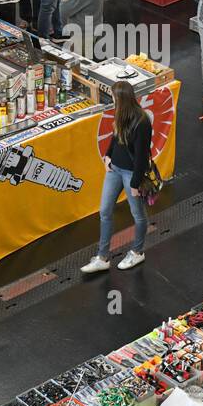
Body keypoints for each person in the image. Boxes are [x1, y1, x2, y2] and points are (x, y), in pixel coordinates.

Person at [80, 80, 151, 273]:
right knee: (104, 211)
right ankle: (102, 257)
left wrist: (136, 182)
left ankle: (137, 252)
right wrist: (108, 155)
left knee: (138, 215)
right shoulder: (121, 113)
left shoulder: (142, 121)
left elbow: (142, 156)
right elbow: (115, 136)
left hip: (130, 174)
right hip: (115, 170)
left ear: (120, 98)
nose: (111, 99)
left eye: (112, 96)